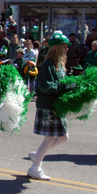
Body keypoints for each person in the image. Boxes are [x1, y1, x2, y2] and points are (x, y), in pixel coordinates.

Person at [27, 31, 72, 180]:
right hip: (48, 105)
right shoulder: (47, 64)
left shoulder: (59, 64)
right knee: (51, 137)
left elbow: (60, 83)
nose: (67, 49)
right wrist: (64, 86)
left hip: (56, 105)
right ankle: (35, 168)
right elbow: (45, 86)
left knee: (64, 137)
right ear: (56, 48)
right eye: (64, 46)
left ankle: (37, 155)